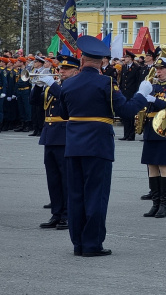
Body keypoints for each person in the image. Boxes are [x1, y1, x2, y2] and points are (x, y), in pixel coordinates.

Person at [59, 36, 151, 256]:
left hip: (73, 146)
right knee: (95, 196)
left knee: (75, 196)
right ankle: (91, 244)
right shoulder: (106, 83)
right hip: (98, 146)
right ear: (101, 62)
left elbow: (64, 114)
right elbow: (127, 111)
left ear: (82, 60)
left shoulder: (68, 83)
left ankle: (78, 244)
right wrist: (142, 95)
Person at [33, 55, 80, 230]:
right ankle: (56, 213)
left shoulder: (75, 85)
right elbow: (34, 103)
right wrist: (38, 87)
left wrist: (51, 85)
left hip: (65, 134)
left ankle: (67, 215)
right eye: (61, 69)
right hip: (50, 135)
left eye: (66, 69)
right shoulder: (55, 86)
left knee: (65, 177)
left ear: (76, 71)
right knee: (53, 178)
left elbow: (67, 99)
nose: (61, 72)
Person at [140, 56, 166, 218]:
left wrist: (153, 99)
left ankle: (164, 204)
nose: (159, 71)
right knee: (152, 166)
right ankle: (155, 204)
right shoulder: (152, 85)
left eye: (162, 69)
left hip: (164, 128)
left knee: (164, 166)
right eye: (157, 69)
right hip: (150, 128)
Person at [119, 50, 141, 141]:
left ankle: (131, 135)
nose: (125, 59)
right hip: (124, 94)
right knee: (125, 115)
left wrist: (136, 93)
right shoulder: (124, 67)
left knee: (131, 115)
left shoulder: (136, 68)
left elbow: (137, 81)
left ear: (131, 58)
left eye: (127, 57)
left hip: (132, 94)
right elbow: (122, 81)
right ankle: (126, 134)